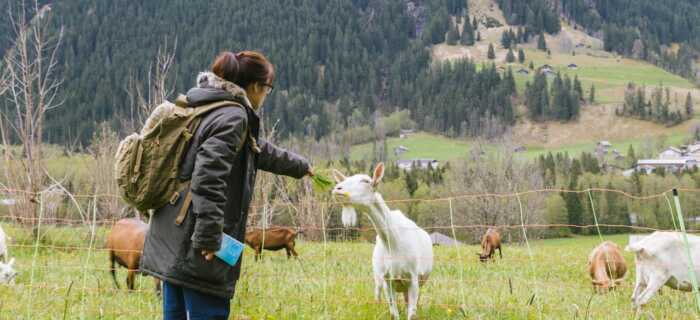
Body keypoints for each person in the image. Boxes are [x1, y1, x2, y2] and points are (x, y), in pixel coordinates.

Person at [141, 51, 312, 320]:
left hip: (173, 229)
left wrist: (300, 166)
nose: (266, 95)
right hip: (198, 241)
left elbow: (254, 150)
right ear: (255, 87)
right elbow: (208, 178)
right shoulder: (233, 116)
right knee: (207, 312)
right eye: (268, 88)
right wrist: (209, 237)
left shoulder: (207, 104)